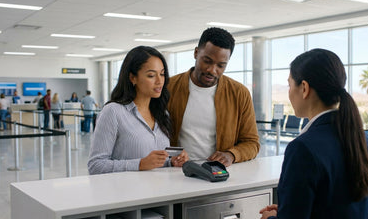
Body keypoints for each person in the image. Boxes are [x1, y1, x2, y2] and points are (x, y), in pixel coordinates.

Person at [259, 49, 368, 219]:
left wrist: (269, 218)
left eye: (290, 85)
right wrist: (288, 209)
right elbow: (365, 210)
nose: (289, 92)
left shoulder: (302, 148)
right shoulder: (365, 141)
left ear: (304, 88)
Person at [88, 46, 189, 174]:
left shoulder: (162, 113)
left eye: (162, 74)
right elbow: (95, 165)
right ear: (132, 78)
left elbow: (155, 164)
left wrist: (172, 161)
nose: (160, 81)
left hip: (160, 191)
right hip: (128, 192)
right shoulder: (113, 111)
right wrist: (139, 164)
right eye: (151, 75)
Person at [167, 27, 259, 167]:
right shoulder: (169, 88)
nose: (212, 70)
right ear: (196, 53)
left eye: (221, 65)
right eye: (207, 61)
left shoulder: (239, 93)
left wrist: (231, 155)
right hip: (176, 172)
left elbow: (252, 143)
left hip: (216, 174)